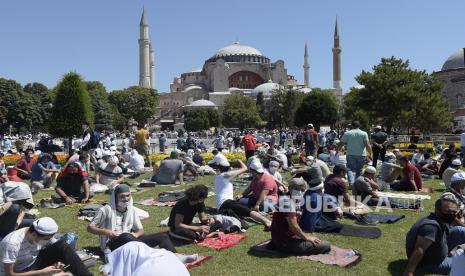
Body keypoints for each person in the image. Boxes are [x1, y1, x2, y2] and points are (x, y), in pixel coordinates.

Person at [87, 184, 176, 253]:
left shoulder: (131, 210)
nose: (126, 199)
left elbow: (140, 230)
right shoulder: (105, 210)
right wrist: (106, 232)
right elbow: (90, 227)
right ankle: (150, 253)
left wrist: (135, 235)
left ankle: (175, 256)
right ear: (115, 197)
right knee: (126, 236)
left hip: (131, 240)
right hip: (111, 245)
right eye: (122, 196)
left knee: (162, 236)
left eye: (128, 196)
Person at [0, 217, 92, 276]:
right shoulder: (12, 243)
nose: (49, 240)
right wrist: (42, 272)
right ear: (34, 235)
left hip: (33, 262)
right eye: (46, 239)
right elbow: (10, 274)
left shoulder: (41, 235)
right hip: (19, 271)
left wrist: (59, 260)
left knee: (62, 246)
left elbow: (56, 247)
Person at [404, 198, 465, 275]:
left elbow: (454, 220)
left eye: (454, 212)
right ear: (437, 210)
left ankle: (449, 253)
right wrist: (409, 271)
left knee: (461, 230)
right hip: (429, 263)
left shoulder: (439, 218)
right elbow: (419, 250)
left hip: (435, 249)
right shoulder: (431, 227)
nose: (451, 215)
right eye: (448, 211)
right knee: (462, 264)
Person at [270, 181, 331, 255]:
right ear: (289, 188)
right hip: (285, 242)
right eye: (296, 189)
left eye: (302, 190)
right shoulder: (287, 202)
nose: (299, 191)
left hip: (284, 237)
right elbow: (293, 227)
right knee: (326, 245)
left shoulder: (290, 199)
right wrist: (306, 237)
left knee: (317, 240)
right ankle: (282, 247)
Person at [214, 160, 272, 229]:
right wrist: (238, 160)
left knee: (242, 212)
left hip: (220, 206)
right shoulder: (226, 175)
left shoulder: (217, 177)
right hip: (226, 202)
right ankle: (267, 222)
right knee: (248, 212)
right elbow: (245, 168)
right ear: (229, 169)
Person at [337, 121, 373, 187]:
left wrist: (337, 150)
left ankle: (351, 183)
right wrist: (370, 153)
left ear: (352, 126)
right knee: (359, 170)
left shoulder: (347, 133)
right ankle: (357, 183)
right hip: (361, 154)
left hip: (350, 153)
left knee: (349, 169)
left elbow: (341, 143)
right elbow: (367, 144)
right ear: (359, 126)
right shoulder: (364, 133)